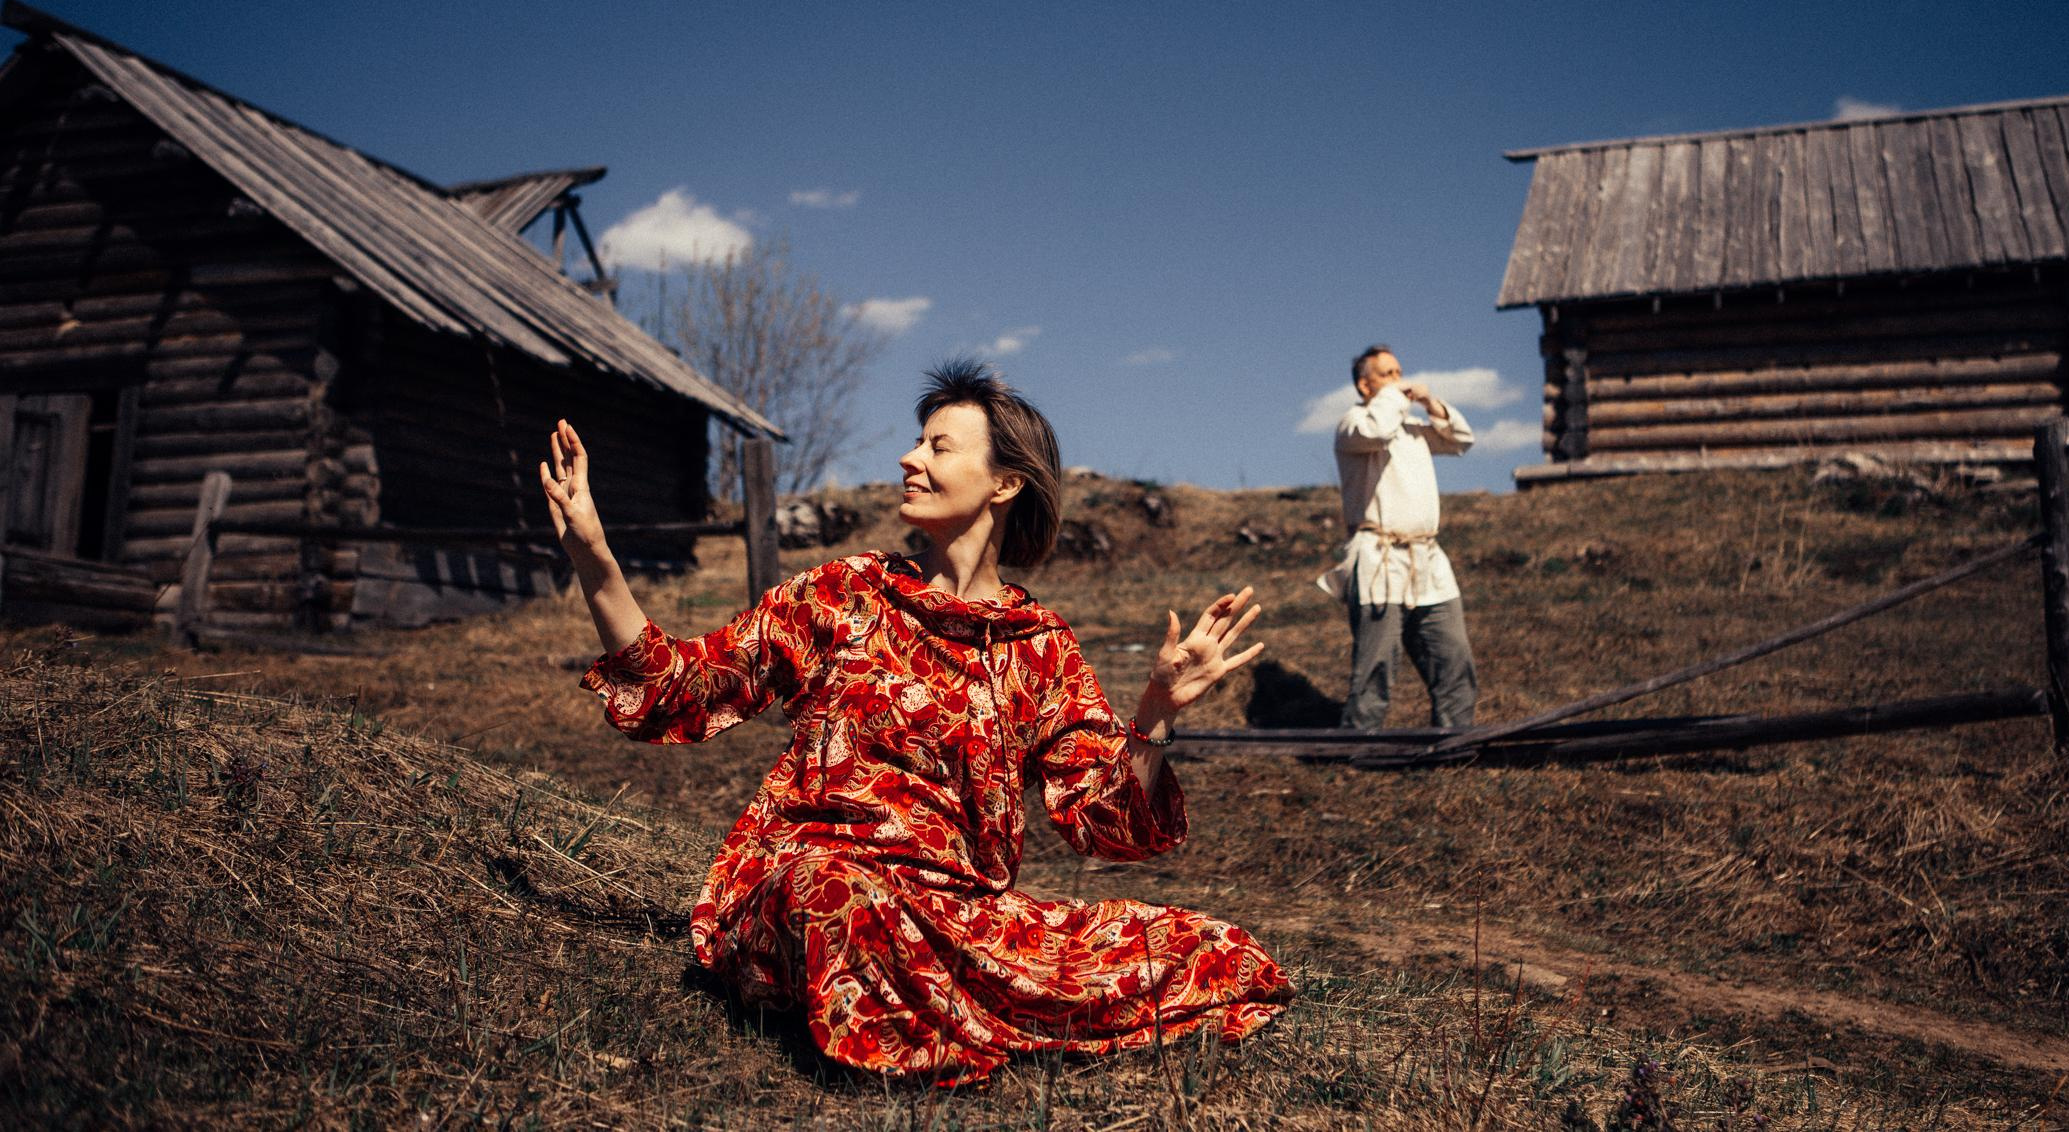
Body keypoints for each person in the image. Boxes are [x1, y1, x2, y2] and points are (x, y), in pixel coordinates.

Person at [539, 361, 1293, 1084]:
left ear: (1004, 482)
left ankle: (950, 1000)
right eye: (915, 441)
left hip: (955, 913)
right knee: (831, 899)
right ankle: (949, 1015)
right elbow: (684, 686)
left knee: (1205, 948)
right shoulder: (844, 593)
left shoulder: (1040, 647)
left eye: (938, 446)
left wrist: (1154, 714)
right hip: (815, 881)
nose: (908, 458)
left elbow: (1109, 826)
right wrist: (595, 558)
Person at [1316, 345, 1480, 730]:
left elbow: (1460, 439)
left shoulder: (1410, 429)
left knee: (1453, 656)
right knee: (1376, 664)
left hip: (1427, 559)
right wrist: (1394, 396)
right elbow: (1377, 428)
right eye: (1387, 374)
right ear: (1364, 384)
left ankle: (1455, 742)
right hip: (1379, 559)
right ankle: (1359, 746)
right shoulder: (1352, 425)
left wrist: (1430, 401)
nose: (1398, 381)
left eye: (1399, 372)